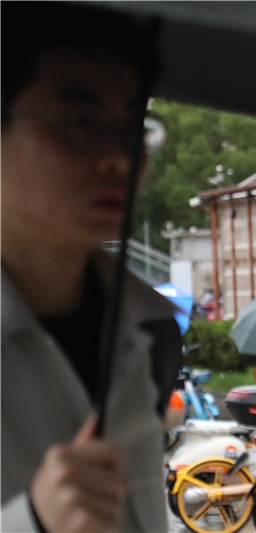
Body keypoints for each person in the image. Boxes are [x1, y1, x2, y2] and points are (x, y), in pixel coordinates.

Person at [1, 3, 183, 532]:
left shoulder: (150, 333)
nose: (118, 159)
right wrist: (31, 521)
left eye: (132, 126)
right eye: (80, 121)